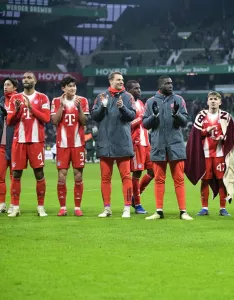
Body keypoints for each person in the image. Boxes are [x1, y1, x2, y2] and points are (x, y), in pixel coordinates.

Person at [142, 75, 193, 220]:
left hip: (175, 145)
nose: (171, 85)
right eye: (167, 83)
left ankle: (183, 211)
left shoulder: (179, 100)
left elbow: (184, 122)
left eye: (171, 83)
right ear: (160, 86)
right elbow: (145, 124)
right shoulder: (151, 102)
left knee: (179, 179)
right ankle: (159, 211)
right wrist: (154, 116)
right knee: (159, 179)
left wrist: (177, 115)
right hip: (158, 145)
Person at [185, 91, 234, 217]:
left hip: (220, 154)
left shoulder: (226, 116)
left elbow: (233, 135)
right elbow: (194, 134)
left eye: (215, 99)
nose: (213, 101)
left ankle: (222, 208)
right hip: (205, 154)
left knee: (221, 180)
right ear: (207, 101)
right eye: (211, 99)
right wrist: (205, 131)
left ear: (220, 102)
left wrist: (223, 138)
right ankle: (204, 208)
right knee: (205, 180)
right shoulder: (201, 116)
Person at [91, 71, 136, 218]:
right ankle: (107, 208)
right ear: (111, 81)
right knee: (105, 178)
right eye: (118, 80)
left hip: (122, 143)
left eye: (122, 80)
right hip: (106, 143)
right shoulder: (101, 97)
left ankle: (127, 208)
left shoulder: (128, 97)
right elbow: (94, 116)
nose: (122, 82)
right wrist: (103, 107)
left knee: (126, 177)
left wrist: (122, 107)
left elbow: (131, 116)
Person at [6, 72, 50, 217]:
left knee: (39, 173)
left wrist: (31, 108)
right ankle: (16, 207)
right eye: (24, 78)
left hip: (36, 141)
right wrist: (18, 110)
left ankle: (40, 206)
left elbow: (46, 118)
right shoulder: (15, 98)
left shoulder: (43, 97)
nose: (26, 80)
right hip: (19, 141)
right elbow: (9, 122)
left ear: (35, 81)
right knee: (16, 174)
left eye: (29, 77)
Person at [51, 75, 89, 217]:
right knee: (62, 176)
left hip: (78, 144)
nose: (73, 88)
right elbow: (54, 121)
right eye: (70, 86)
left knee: (78, 175)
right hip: (63, 145)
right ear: (63, 88)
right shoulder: (56, 101)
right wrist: (61, 106)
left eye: (74, 86)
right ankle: (63, 207)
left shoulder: (82, 101)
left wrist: (79, 108)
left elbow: (84, 122)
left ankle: (77, 207)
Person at [126, 80, 154, 214]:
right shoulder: (126, 103)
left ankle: (135, 196)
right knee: (137, 173)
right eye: (136, 88)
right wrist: (142, 118)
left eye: (139, 88)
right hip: (136, 143)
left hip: (146, 142)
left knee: (153, 171)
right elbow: (127, 125)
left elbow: (145, 121)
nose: (139, 90)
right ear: (129, 90)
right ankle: (137, 204)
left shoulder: (141, 103)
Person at [0, 77, 18, 213]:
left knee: (14, 176)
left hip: (14, 144)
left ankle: (13, 203)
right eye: (4, 84)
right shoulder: (0, 101)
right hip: (1, 144)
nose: (5, 87)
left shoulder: (19, 100)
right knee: (0, 176)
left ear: (15, 87)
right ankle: (1, 204)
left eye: (8, 85)